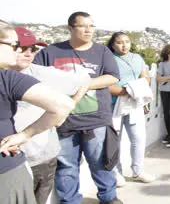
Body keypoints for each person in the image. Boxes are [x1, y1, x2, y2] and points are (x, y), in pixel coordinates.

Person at [33, 12, 123, 204]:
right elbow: (35, 78)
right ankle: (70, 201)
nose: (88, 30)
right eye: (83, 26)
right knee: (66, 167)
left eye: (91, 26)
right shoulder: (50, 52)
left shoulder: (102, 52)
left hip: (96, 119)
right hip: (63, 121)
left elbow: (113, 77)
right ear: (70, 28)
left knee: (101, 162)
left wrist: (82, 84)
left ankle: (108, 197)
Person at [11, 27, 90, 204]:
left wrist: (66, 110)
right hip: (10, 161)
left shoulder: (43, 74)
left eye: (33, 49)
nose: (28, 53)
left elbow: (84, 80)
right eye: (22, 48)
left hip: (41, 157)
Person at [107, 32, 155, 186]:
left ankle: (138, 171)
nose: (124, 45)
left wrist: (138, 87)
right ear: (113, 45)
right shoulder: (108, 59)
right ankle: (116, 173)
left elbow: (145, 76)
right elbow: (106, 85)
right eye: (120, 42)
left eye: (127, 41)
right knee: (115, 140)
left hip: (135, 103)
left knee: (138, 138)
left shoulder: (137, 58)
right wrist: (128, 90)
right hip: (114, 104)